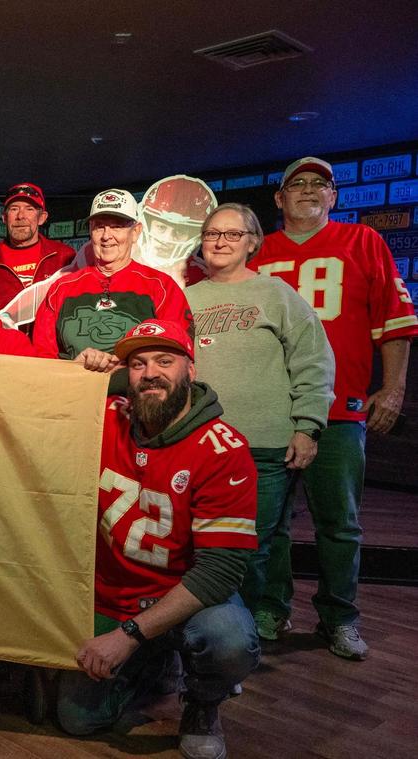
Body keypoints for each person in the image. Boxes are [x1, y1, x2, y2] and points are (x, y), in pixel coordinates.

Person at [57, 319, 259, 759]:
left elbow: (220, 570)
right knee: (77, 720)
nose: (150, 373)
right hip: (108, 596)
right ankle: (156, 662)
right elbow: (34, 402)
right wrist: (73, 371)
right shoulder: (103, 416)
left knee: (227, 636)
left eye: (164, 361)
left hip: (179, 600)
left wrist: (127, 636)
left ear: (191, 368)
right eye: (138, 363)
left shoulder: (224, 450)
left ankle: (203, 703)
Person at [249, 156, 418, 660]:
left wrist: (392, 389)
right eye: (295, 184)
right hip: (270, 410)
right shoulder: (258, 253)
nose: (307, 190)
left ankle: (339, 616)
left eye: (318, 183)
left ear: (333, 197)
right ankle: (271, 608)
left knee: (340, 522)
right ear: (278, 200)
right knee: (271, 522)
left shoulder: (364, 242)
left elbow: (394, 320)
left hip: (339, 409)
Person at [186, 203, 334, 641]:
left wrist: (308, 426)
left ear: (252, 243)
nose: (220, 242)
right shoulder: (187, 299)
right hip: (203, 444)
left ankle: (243, 633)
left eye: (232, 234)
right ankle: (210, 630)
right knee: (201, 546)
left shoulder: (277, 294)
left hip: (263, 445)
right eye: (213, 233)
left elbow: (313, 360)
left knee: (252, 547)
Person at [32, 189, 193, 370]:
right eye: (99, 226)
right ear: (90, 232)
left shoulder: (162, 286)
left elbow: (178, 353)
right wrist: (74, 368)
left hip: (138, 394)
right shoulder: (61, 288)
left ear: (136, 232)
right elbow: (42, 357)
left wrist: (130, 367)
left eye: (117, 226)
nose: (106, 236)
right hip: (75, 392)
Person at [0, 182, 75, 311]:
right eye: (14, 209)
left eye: (29, 209)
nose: (20, 216)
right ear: (4, 218)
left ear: (42, 218)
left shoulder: (64, 257)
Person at [135, 175, 218, 288]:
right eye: (161, 227)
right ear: (147, 224)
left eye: (180, 232)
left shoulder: (201, 277)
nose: (167, 238)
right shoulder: (122, 265)